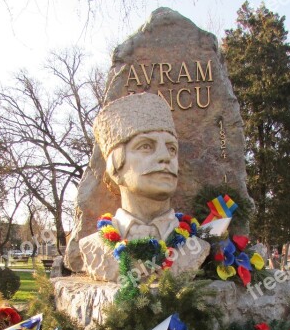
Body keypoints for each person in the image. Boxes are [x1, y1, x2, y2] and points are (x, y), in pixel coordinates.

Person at [79, 93, 209, 283]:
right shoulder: (93, 247)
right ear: (116, 167)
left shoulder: (196, 247)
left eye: (172, 149)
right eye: (146, 146)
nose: (166, 157)